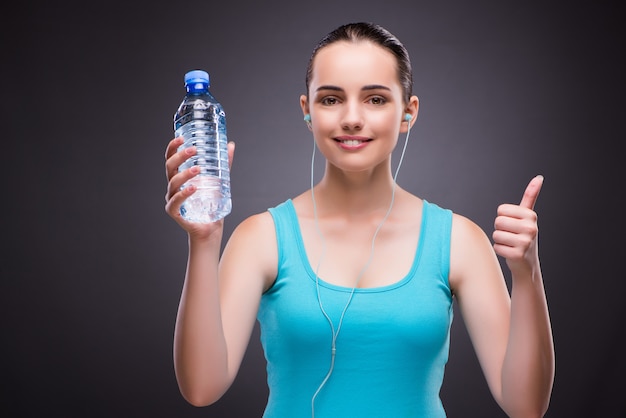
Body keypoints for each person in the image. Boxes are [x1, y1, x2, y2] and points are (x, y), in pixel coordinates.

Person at [164, 22, 554, 418]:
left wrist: (527, 274)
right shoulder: (260, 238)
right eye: (331, 99)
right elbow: (201, 388)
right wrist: (204, 241)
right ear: (307, 111)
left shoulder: (458, 240)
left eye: (376, 100)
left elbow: (526, 407)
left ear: (408, 112)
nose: (351, 119)